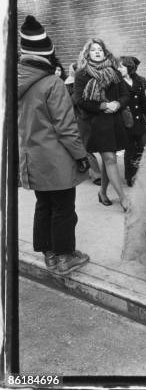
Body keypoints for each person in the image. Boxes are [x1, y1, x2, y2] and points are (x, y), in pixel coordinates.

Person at [17, 15, 91, 274]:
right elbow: (66, 128)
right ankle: (65, 257)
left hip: (32, 159)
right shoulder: (52, 83)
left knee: (44, 205)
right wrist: (82, 156)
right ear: (47, 54)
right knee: (63, 209)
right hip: (56, 160)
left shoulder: (13, 83)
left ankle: (49, 255)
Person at [73, 38, 130, 212]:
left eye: (100, 49)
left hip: (114, 121)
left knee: (108, 160)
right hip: (95, 123)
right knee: (110, 159)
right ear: (87, 53)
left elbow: (125, 94)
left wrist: (118, 104)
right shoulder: (82, 74)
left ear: (105, 53)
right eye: (93, 50)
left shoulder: (115, 72)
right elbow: (80, 100)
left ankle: (103, 193)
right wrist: (103, 105)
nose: (97, 52)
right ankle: (124, 199)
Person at [66, 62, 103, 186]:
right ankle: (92, 172)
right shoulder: (74, 85)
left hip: (82, 120)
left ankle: (96, 174)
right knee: (83, 147)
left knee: (85, 148)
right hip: (79, 120)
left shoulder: (80, 84)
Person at [118, 56, 146, 186]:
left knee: (143, 149)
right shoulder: (118, 83)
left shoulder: (140, 80)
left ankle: (142, 175)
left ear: (129, 67)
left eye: (121, 66)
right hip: (127, 123)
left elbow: (145, 102)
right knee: (130, 150)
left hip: (140, 122)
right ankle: (130, 176)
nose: (119, 69)